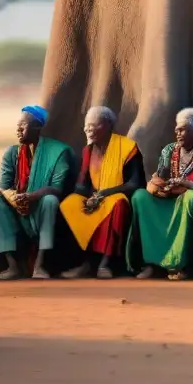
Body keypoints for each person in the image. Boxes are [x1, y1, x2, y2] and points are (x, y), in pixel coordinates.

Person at [128, 108, 193, 281]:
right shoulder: (169, 150)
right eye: (176, 129)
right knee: (140, 196)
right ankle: (152, 264)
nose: (177, 132)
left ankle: (182, 265)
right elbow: (160, 175)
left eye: (182, 129)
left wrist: (184, 183)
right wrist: (156, 185)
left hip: (188, 197)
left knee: (192, 198)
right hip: (167, 197)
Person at [0, 105, 74, 280]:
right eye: (17, 126)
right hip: (16, 208)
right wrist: (14, 199)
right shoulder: (11, 153)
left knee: (50, 200)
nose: (18, 130)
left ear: (37, 128)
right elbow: (4, 186)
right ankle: (12, 266)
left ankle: (40, 265)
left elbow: (57, 188)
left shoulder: (58, 152)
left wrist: (31, 197)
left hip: (40, 207)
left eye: (23, 125)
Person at [59, 106, 143, 279]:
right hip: (96, 197)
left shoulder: (128, 147)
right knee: (69, 204)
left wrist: (104, 194)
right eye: (87, 125)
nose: (88, 129)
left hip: (118, 195)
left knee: (117, 204)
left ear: (107, 125)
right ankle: (86, 263)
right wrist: (86, 197)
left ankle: (106, 263)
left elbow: (134, 183)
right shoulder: (87, 150)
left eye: (94, 125)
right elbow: (82, 185)